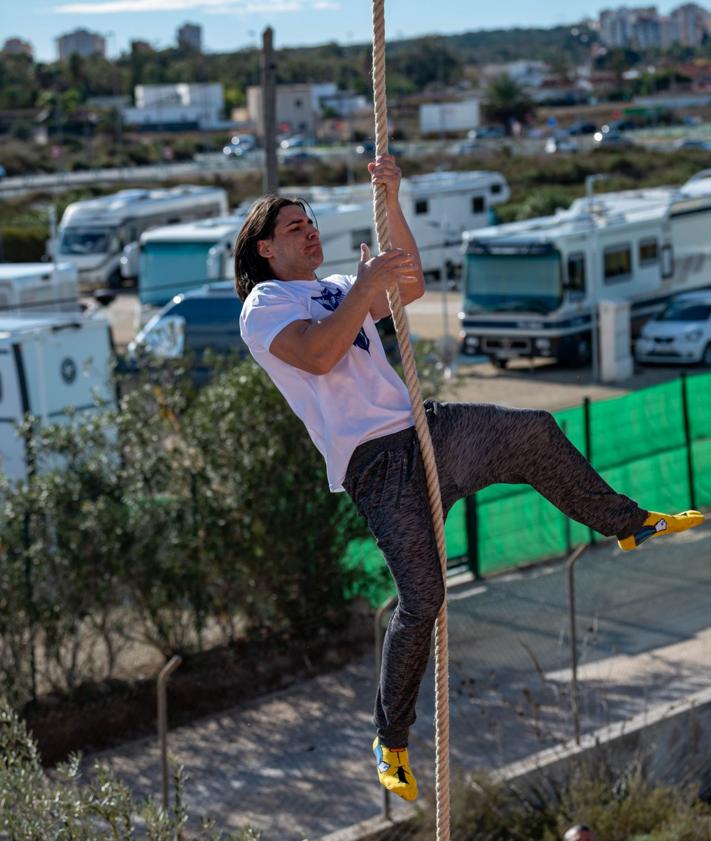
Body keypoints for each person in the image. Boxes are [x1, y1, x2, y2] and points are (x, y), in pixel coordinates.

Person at [235, 154, 704, 803]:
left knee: (533, 430)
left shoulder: (342, 282)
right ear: (264, 247)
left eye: (311, 222)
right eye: (294, 227)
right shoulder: (263, 303)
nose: (309, 231)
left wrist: (392, 200)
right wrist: (365, 284)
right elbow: (317, 354)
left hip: (424, 431)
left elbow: (413, 286)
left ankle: (626, 523)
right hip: (375, 464)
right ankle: (390, 739)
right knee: (421, 599)